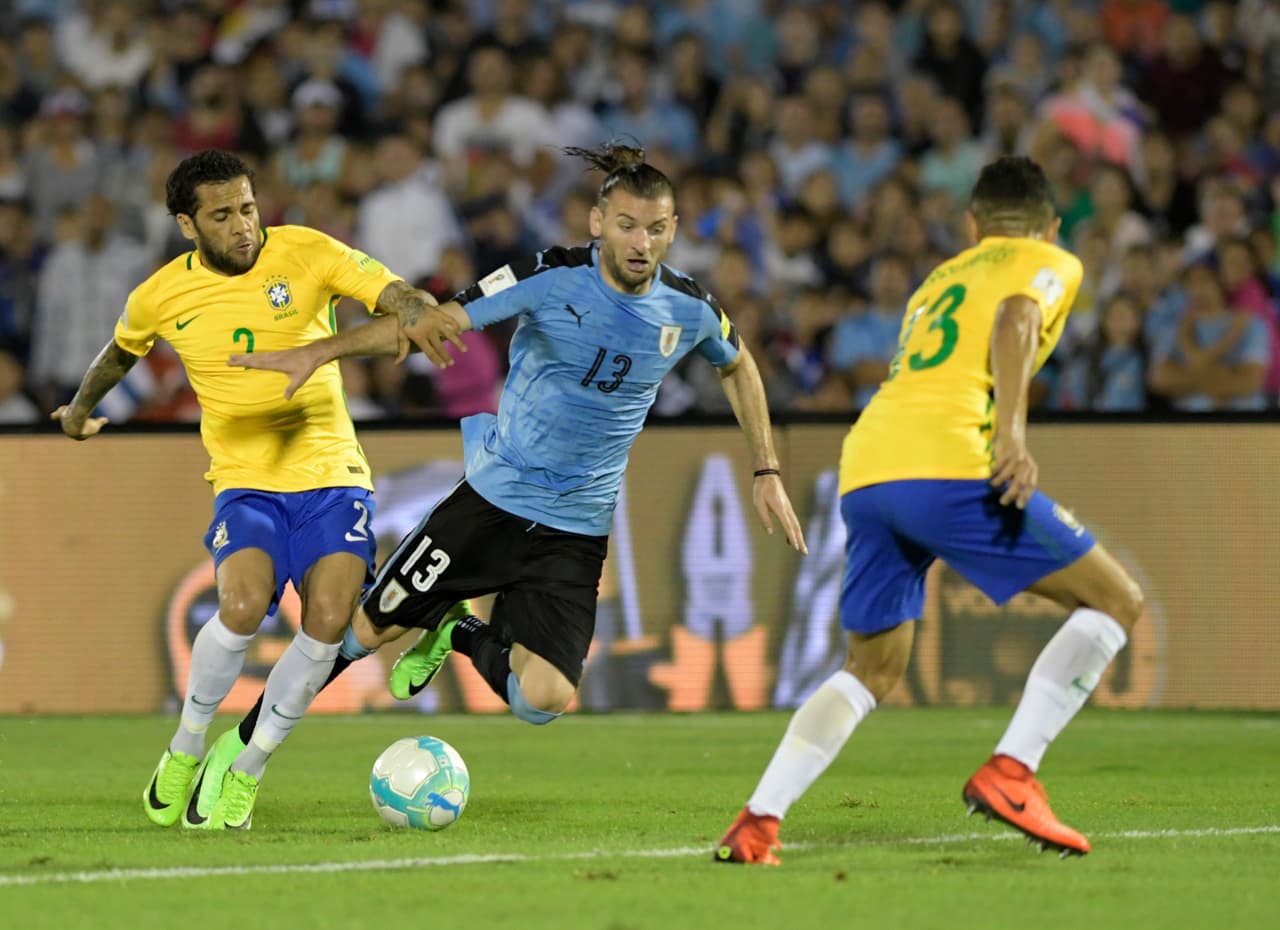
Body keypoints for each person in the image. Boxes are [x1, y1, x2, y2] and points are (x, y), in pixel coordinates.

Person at [229, 142, 807, 769]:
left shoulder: (688, 307)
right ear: (597, 223)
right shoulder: (549, 276)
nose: (641, 242)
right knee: (363, 633)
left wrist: (766, 468)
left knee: (543, 699)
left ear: (673, 231)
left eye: (657, 228)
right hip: (492, 501)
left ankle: (457, 628)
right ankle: (236, 755)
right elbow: (432, 323)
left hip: (575, 529)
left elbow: (740, 364)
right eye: (627, 225)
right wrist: (321, 351)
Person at [715, 156, 1144, 865]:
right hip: (948, 467)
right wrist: (1011, 434)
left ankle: (759, 820)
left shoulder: (938, 281)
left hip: (869, 469)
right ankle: (1014, 770)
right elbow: (1016, 317)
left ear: (974, 224)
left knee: (872, 666)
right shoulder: (1050, 260)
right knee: (1116, 601)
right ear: (1049, 222)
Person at [52, 149, 444, 831]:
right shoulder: (161, 295)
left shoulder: (305, 252)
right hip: (246, 482)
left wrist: (414, 308)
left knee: (327, 621)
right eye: (223, 214)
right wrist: (80, 411)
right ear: (186, 225)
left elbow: (393, 294)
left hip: (332, 475)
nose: (244, 226)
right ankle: (185, 748)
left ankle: (249, 768)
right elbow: (121, 352)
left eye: (249, 207)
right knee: (236, 605)